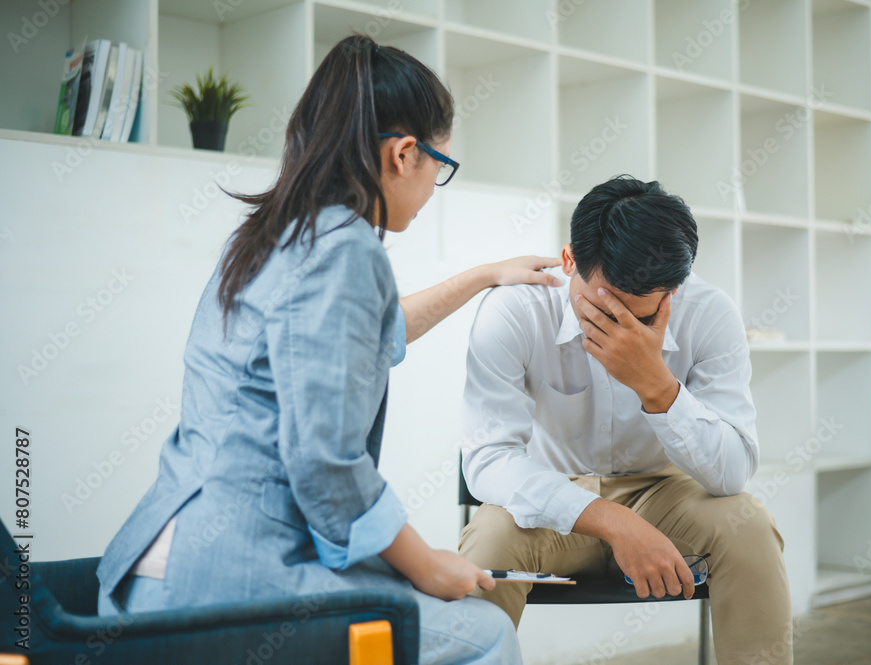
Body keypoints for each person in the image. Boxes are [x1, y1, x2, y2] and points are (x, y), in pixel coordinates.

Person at [96, 35, 558, 664]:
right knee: (486, 633)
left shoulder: (270, 235)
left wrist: (483, 275)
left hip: (152, 565)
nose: (434, 187)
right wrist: (426, 564)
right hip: (230, 576)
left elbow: (365, 336)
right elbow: (325, 461)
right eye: (440, 166)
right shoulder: (345, 251)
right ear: (403, 154)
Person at [458, 176, 793, 665]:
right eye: (604, 307)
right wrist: (615, 522)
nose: (622, 328)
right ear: (569, 260)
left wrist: (655, 385)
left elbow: (732, 474)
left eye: (642, 316)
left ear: (673, 289)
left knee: (750, 528)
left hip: (665, 493)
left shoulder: (710, 313)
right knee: (489, 540)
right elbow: (488, 460)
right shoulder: (515, 311)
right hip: (554, 495)